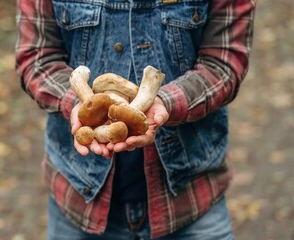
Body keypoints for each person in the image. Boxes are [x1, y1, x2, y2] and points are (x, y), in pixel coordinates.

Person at [15, 0, 256, 239]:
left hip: (191, 196)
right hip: (78, 197)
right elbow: (36, 57)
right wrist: (78, 101)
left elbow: (224, 61)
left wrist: (165, 102)